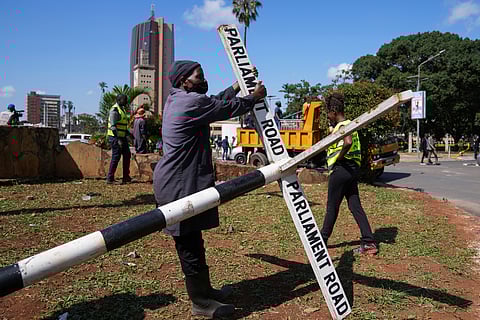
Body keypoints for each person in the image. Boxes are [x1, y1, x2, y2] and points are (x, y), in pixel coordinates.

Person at [153, 60, 266, 318]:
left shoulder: (179, 99)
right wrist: (253, 97)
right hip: (178, 186)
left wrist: (238, 85)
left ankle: (206, 291)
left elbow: (215, 100)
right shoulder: (190, 103)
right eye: (199, 75)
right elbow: (224, 107)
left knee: (194, 240)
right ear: (185, 80)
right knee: (189, 245)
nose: (203, 79)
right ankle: (200, 302)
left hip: (180, 182)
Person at [320, 91, 378, 255]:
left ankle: (321, 241)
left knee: (332, 207)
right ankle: (369, 242)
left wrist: (338, 158)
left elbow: (348, 142)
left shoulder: (343, 127)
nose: (328, 117)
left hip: (341, 168)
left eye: (328, 114)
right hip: (352, 170)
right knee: (355, 205)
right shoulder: (352, 124)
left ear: (334, 111)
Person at [106, 94, 132, 184]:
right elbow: (113, 127)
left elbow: (122, 125)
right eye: (124, 100)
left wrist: (128, 134)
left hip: (122, 136)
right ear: (119, 100)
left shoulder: (122, 109)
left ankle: (126, 176)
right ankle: (110, 178)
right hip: (115, 137)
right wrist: (118, 139)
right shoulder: (115, 110)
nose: (126, 101)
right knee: (116, 156)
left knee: (127, 155)